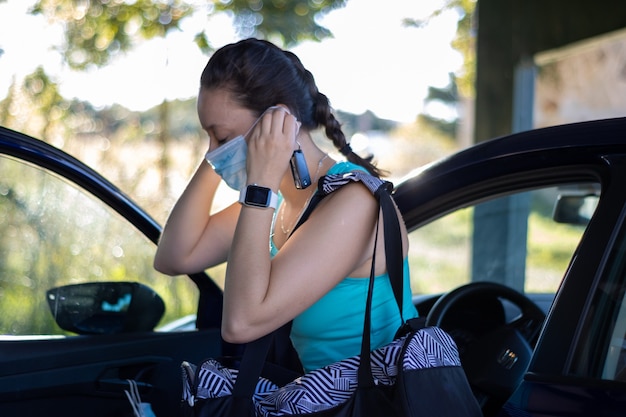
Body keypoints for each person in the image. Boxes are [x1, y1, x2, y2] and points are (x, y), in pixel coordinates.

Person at [154, 38, 417, 373]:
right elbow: (175, 256)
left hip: (372, 402)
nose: (213, 151)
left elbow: (241, 324)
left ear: (279, 120)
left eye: (220, 137)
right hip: (319, 400)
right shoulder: (276, 204)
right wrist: (217, 157)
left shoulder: (353, 204)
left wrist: (259, 182)